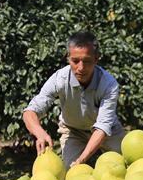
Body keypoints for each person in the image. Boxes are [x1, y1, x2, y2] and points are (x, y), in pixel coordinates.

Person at [23, 31, 126, 167]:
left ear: (96, 58)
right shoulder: (60, 79)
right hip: (73, 130)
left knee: (125, 166)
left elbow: (102, 128)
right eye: (75, 61)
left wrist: (81, 160)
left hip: (108, 131)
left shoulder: (108, 84)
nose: (81, 68)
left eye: (87, 61)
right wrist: (40, 133)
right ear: (68, 58)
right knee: (69, 176)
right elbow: (30, 111)